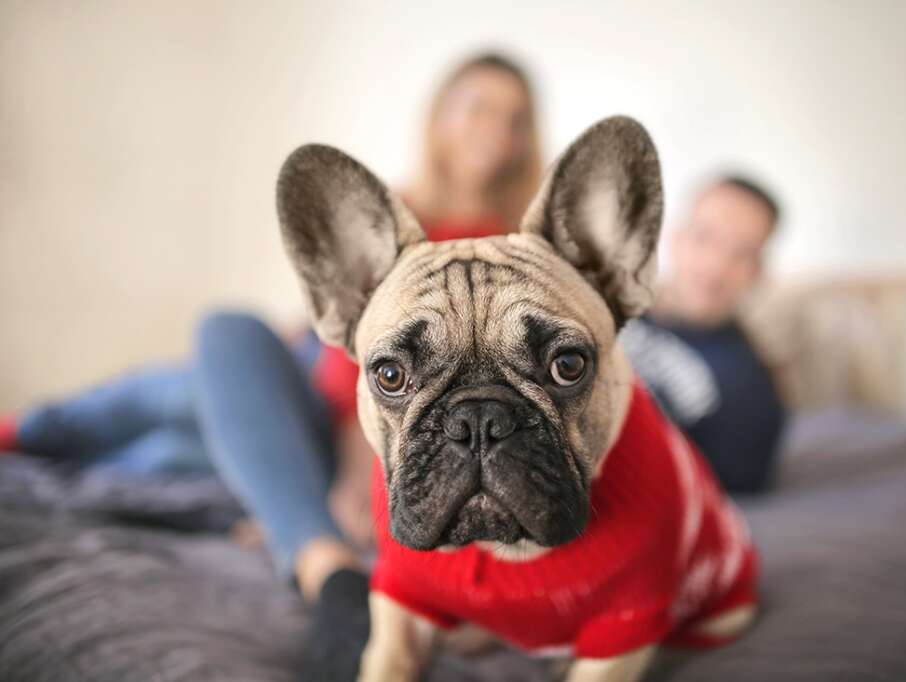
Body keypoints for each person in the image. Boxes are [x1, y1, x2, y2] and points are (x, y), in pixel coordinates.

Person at [0, 52, 543, 610]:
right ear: (440, 117)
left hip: (389, 433)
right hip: (334, 406)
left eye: (514, 119)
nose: (496, 132)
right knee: (217, 352)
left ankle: (36, 442)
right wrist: (351, 453)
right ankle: (29, 433)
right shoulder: (392, 211)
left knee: (176, 438)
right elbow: (345, 342)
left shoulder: (519, 247)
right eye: (480, 109)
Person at [620, 176, 787, 494]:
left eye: (742, 253)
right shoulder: (603, 306)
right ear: (675, 238)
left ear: (759, 271)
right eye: (705, 238)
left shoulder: (749, 395)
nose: (716, 266)